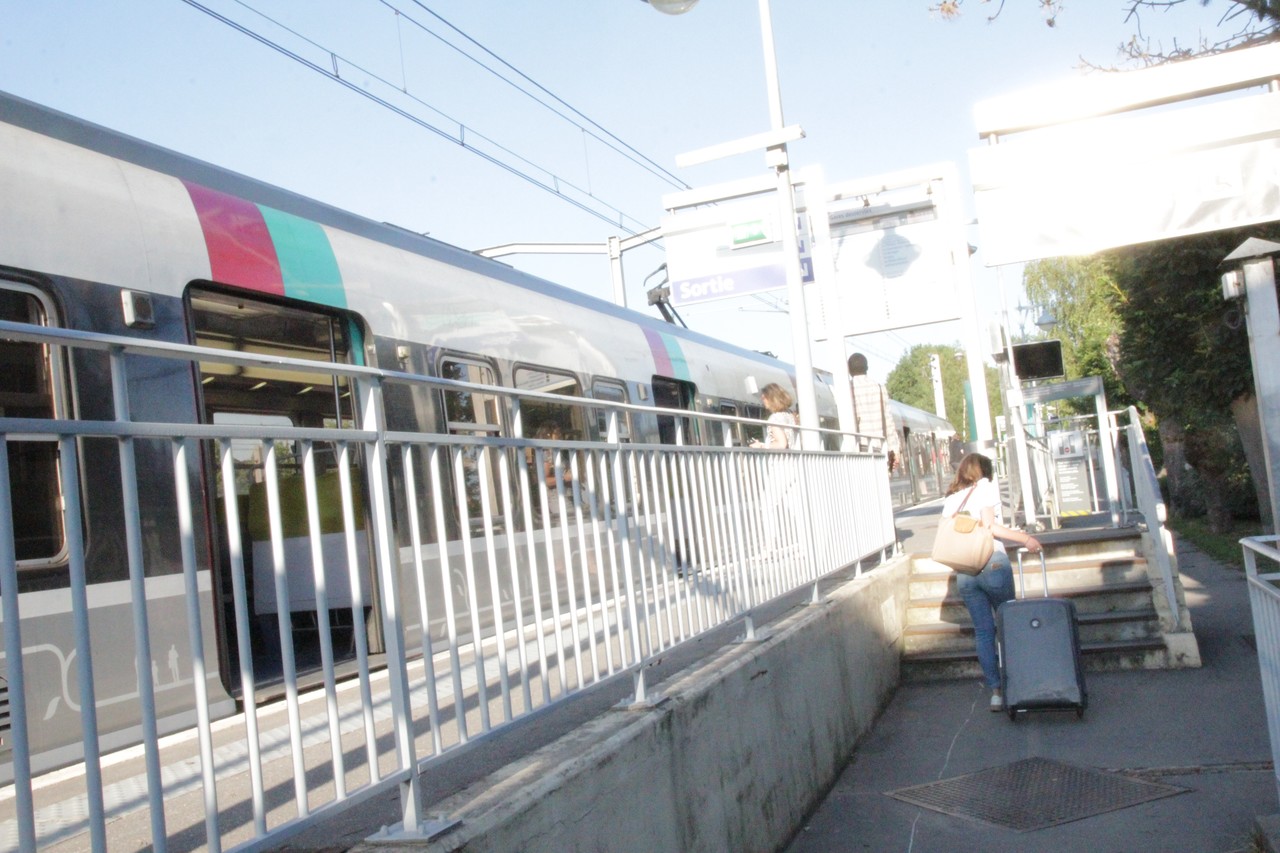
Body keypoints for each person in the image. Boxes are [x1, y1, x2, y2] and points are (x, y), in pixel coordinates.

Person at [940, 452, 1042, 712]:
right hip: (992, 564)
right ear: (984, 470)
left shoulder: (951, 499)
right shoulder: (984, 488)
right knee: (1008, 624)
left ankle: (996, 692)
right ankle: (1019, 685)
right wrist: (1025, 539)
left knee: (984, 632)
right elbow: (990, 527)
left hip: (965, 571)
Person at [848, 352, 901, 471]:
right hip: (879, 448)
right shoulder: (879, 388)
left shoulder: (847, 389)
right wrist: (894, 449)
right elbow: (888, 422)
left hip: (858, 449)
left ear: (849, 370)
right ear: (867, 368)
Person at [749, 383, 797, 449]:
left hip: (780, 458)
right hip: (793, 457)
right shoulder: (789, 415)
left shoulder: (775, 418)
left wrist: (761, 446)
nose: (762, 400)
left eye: (764, 398)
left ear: (772, 399)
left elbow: (781, 444)